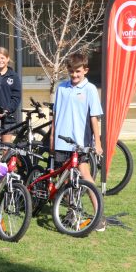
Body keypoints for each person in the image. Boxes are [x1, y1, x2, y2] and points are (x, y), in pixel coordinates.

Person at [51, 52, 104, 230]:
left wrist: (97, 142)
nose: (74, 75)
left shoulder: (90, 89)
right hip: (61, 141)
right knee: (65, 181)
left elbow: (94, 118)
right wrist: (52, 136)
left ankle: (99, 216)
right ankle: (71, 214)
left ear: (85, 70)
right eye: (71, 71)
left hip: (80, 143)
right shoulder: (61, 88)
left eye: (78, 71)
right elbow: (56, 115)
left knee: (85, 177)